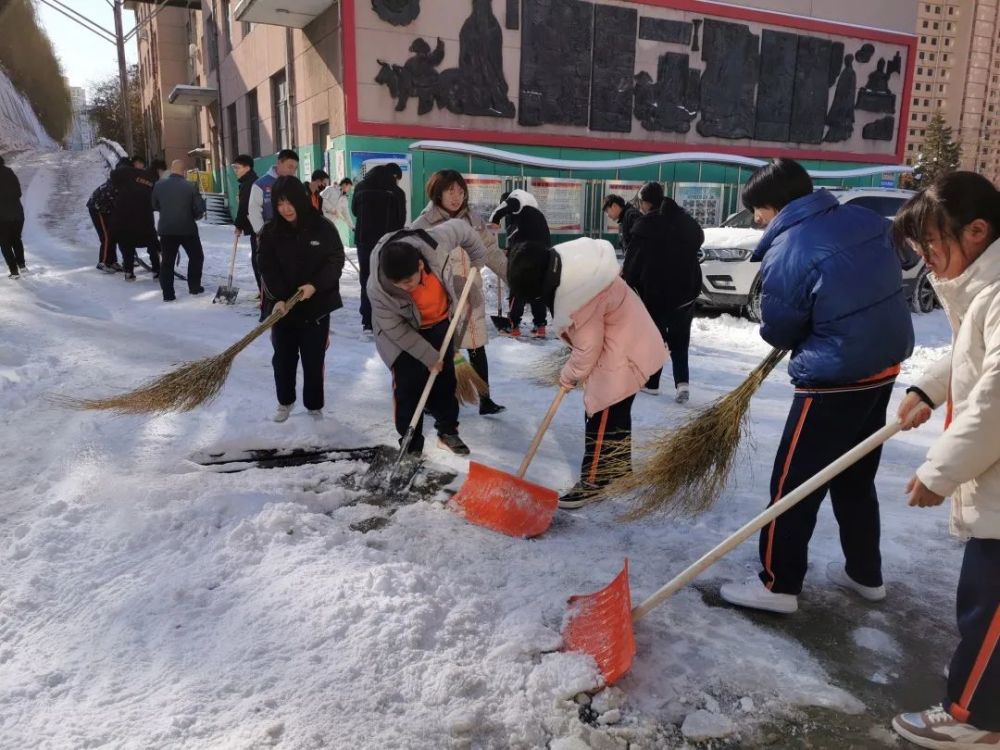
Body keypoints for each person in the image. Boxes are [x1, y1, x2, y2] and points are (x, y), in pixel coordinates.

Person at [718, 158, 914, 614]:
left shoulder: (790, 247)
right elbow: (901, 261)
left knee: (792, 484)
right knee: (853, 477)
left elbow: (780, 327)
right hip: (881, 371)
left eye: (758, 210)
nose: (757, 220)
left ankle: (777, 585)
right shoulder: (866, 218)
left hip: (833, 380)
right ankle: (865, 575)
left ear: (773, 205)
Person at [889, 172, 1000, 749]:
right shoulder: (985, 286)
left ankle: (975, 719)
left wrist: (940, 471)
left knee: (989, 612)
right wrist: (928, 390)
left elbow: (998, 395)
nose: (928, 261)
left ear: (977, 231)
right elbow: (969, 355)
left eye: (933, 245)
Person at [506, 237, 666, 509]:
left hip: (621, 355)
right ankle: (618, 470)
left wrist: (568, 376)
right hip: (630, 343)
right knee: (616, 415)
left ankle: (593, 482)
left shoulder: (580, 296)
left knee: (600, 418)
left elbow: (588, 349)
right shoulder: (573, 269)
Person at [368, 219, 507, 456]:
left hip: (440, 321)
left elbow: (464, 230)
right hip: (402, 334)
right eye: (398, 285)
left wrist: (477, 258)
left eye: (409, 282)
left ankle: (447, 431)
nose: (405, 288)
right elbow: (397, 331)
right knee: (408, 385)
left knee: (445, 380)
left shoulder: (435, 242)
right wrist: (428, 355)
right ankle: (410, 444)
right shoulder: (378, 290)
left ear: (421, 265)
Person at [410, 170, 506, 415]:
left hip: (471, 295)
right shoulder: (424, 224)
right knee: (441, 351)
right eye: (450, 191)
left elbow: (492, 252)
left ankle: (485, 399)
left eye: (460, 191)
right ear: (437, 192)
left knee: (476, 347)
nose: (456, 197)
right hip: (441, 299)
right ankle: (435, 401)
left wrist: (513, 277)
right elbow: (413, 263)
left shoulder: (473, 220)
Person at [258, 176, 345, 422]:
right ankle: (285, 402)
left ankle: (314, 405)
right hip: (283, 308)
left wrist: (315, 286)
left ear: (300, 199)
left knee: (313, 359)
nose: (285, 209)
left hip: (316, 307)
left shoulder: (323, 227)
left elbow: (335, 260)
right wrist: (277, 298)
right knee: (283, 359)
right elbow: (266, 267)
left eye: (289, 202)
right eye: (279, 203)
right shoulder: (270, 232)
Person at [622, 181, 703, 402]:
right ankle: (682, 383)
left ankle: (652, 382)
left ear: (646, 203)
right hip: (686, 291)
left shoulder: (646, 225)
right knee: (680, 339)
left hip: (654, 293)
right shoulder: (686, 222)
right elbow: (698, 244)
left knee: (655, 338)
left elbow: (633, 262)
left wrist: (627, 283)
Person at [353, 163, 407, 334]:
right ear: (394, 176)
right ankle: (385, 320)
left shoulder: (361, 187)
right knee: (387, 280)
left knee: (366, 280)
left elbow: (355, 211)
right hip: (386, 243)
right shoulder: (396, 192)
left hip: (364, 242)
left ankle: (367, 322)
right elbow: (401, 219)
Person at [489, 190, 550, 338]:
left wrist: (494, 221)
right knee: (537, 291)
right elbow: (520, 237)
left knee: (518, 290)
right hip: (542, 255)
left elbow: (505, 208)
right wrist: (509, 251)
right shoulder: (531, 215)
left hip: (526, 257)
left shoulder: (517, 204)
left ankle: (513, 326)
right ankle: (540, 326)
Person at [151, 159, 206, 301]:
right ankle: (194, 287)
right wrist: (194, 215)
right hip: (187, 229)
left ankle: (168, 294)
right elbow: (199, 209)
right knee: (196, 257)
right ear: (184, 172)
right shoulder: (190, 186)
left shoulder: (158, 185)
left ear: (171, 169)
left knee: (167, 262)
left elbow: (154, 205)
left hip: (166, 230)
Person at [111, 158, 161, 281]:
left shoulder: (125, 172)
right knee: (152, 244)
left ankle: (129, 271)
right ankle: (157, 270)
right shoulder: (150, 176)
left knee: (126, 245)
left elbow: (113, 175)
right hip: (145, 218)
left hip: (126, 219)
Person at [248, 149, 300, 238]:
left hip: (292, 234)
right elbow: (254, 211)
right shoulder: (261, 184)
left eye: (295, 169)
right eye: (290, 167)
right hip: (270, 235)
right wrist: (262, 233)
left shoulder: (295, 184)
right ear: (279, 163)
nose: (292, 172)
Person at [231, 154, 260, 291]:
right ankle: (263, 292)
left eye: (237, 168)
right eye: (234, 168)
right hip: (257, 226)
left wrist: (238, 225)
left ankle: (264, 293)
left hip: (257, 228)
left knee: (258, 261)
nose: (235, 170)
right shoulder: (251, 181)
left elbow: (244, 207)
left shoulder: (248, 184)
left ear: (247, 167)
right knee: (258, 259)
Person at [87, 172, 122, 272]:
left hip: (106, 209)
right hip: (98, 209)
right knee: (105, 236)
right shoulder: (113, 187)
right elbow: (117, 204)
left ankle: (112, 261)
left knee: (112, 234)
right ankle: (103, 262)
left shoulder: (118, 185)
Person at [0, 155, 25, 279]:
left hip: (2, 217)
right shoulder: (10, 172)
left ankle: (14, 272)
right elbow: (19, 193)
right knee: (16, 239)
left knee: (4, 243)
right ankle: (22, 265)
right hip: (18, 214)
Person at [602, 193, 640, 263]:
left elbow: (637, 245)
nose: (608, 215)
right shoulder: (623, 219)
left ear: (614, 206)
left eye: (607, 211)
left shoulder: (631, 215)